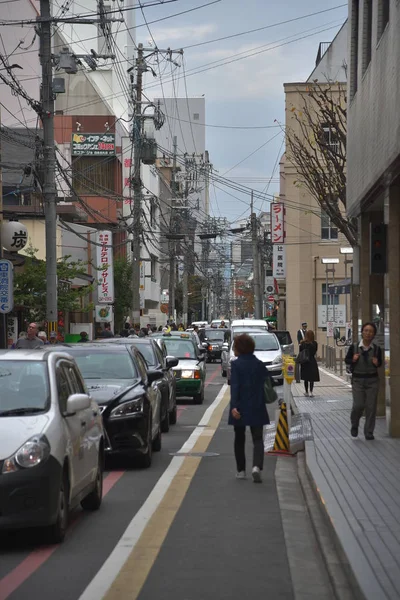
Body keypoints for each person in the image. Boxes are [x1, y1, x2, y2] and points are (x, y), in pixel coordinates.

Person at [229, 333, 271, 483]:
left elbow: (235, 386)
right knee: (258, 438)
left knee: (239, 438)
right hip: (257, 404)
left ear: (240, 348)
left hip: (240, 405)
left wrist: (234, 406)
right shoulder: (259, 364)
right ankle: (256, 467)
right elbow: (268, 380)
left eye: (234, 346)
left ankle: (241, 470)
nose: (233, 349)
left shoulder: (236, 365)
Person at [345, 322, 382, 441]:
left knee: (371, 407)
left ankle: (369, 432)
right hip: (358, 380)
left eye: (371, 331)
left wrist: (377, 363)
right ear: (362, 332)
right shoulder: (354, 347)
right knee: (358, 405)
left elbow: (380, 362)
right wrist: (353, 359)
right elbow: (347, 360)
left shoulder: (376, 349)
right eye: (366, 330)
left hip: (372, 380)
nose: (368, 333)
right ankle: (354, 424)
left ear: (374, 334)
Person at [299, 329, 320, 397]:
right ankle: (311, 391)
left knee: (306, 377)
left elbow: (300, 352)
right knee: (311, 377)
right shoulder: (314, 343)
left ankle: (306, 391)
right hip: (312, 360)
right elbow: (314, 351)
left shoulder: (302, 343)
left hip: (305, 361)